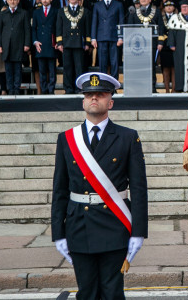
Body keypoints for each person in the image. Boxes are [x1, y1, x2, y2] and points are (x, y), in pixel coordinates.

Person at [51, 72, 148, 300]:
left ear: (110, 102)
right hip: (78, 226)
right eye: (89, 94)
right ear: (83, 101)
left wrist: (139, 232)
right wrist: (58, 233)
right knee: (86, 293)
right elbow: (60, 189)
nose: (94, 98)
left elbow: (139, 188)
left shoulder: (127, 137)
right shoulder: (66, 139)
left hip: (114, 226)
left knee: (113, 293)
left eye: (101, 94)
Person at [57, 0, 91, 94]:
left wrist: (87, 42)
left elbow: (87, 28)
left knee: (79, 67)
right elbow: (59, 28)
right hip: (66, 43)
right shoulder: (62, 11)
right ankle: (68, 88)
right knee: (67, 68)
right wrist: (59, 42)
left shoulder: (85, 11)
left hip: (79, 43)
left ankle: (79, 88)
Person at [0, 0, 31, 95]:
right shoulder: (2, 14)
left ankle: (16, 88)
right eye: (10, 0)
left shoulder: (23, 13)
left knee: (17, 69)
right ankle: (10, 89)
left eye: (14, 0)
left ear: (18, 1)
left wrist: (27, 44)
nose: (12, 1)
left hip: (19, 46)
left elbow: (27, 30)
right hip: (6, 46)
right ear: (7, 1)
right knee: (8, 69)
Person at [128, 0, 163, 90]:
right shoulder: (134, 11)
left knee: (151, 66)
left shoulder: (156, 11)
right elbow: (130, 28)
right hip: (138, 44)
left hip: (152, 43)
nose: (143, 0)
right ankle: (139, 87)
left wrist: (160, 42)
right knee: (139, 65)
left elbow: (160, 26)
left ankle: (152, 87)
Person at [92, 0, 124, 80]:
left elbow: (121, 22)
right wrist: (93, 38)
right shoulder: (97, 5)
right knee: (103, 62)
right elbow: (94, 22)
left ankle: (114, 84)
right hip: (101, 37)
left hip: (114, 38)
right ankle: (103, 83)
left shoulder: (118, 4)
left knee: (114, 62)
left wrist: (120, 37)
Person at [32, 0, 57, 94]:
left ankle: (51, 90)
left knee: (52, 71)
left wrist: (57, 42)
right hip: (40, 45)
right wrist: (35, 42)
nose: (45, 0)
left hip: (51, 44)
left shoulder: (56, 11)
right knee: (42, 70)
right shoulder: (36, 12)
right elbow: (33, 28)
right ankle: (43, 91)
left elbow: (58, 28)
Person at [158, 0, 176, 93]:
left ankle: (174, 89)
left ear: (173, 7)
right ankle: (167, 90)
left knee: (174, 68)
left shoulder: (177, 17)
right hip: (164, 45)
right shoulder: (161, 17)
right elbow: (160, 29)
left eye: (170, 6)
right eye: (167, 6)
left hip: (175, 46)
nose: (169, 8)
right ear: (164, 8)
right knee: (165, 68)